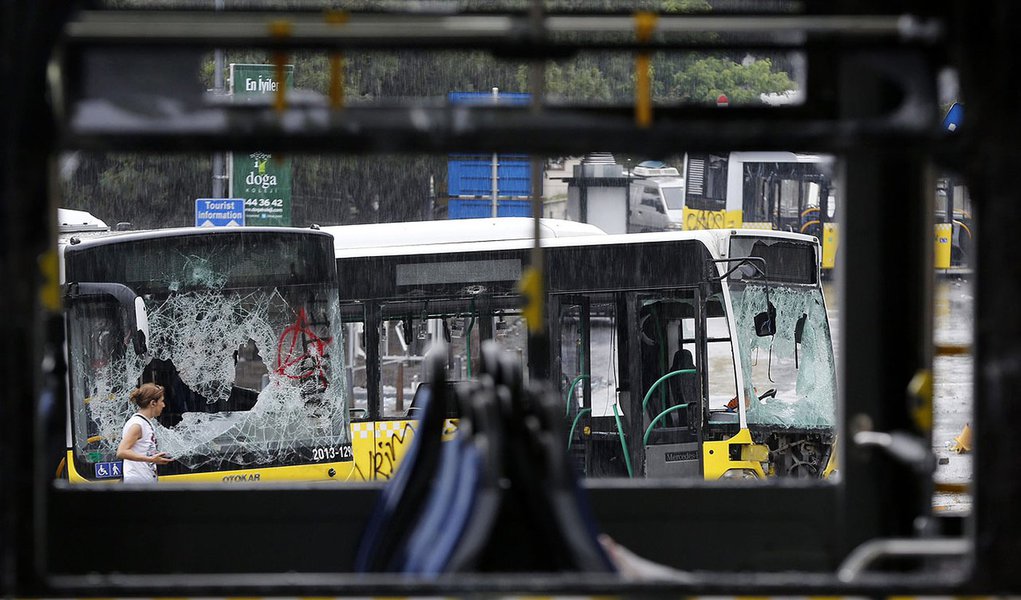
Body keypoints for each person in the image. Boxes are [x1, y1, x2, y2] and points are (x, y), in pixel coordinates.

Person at [116, 382, 173, 484]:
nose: (163, 405)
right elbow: (121, 451)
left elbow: (142, 449)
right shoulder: (137, 425)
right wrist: (151, 459)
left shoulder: (146, 422)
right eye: (162, 401)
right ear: (153, 403)